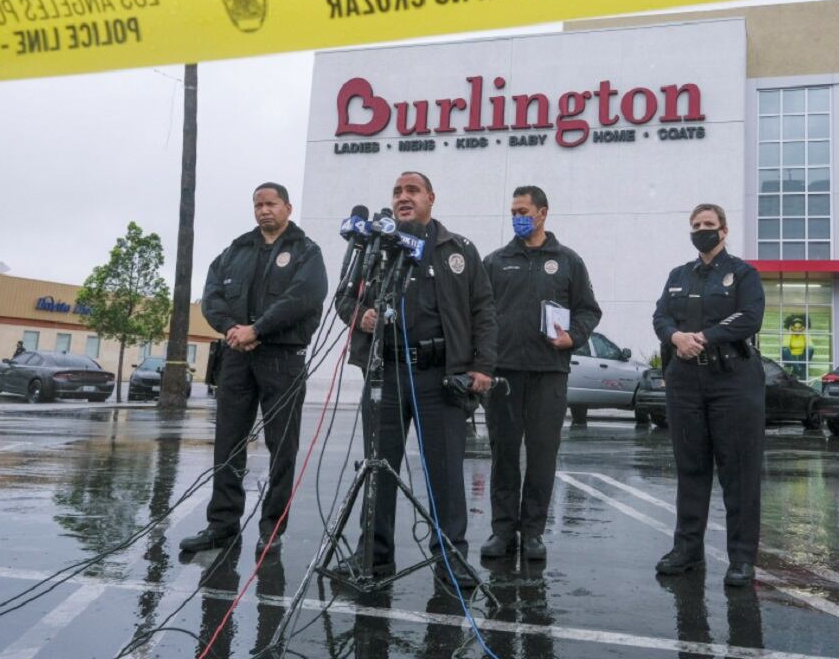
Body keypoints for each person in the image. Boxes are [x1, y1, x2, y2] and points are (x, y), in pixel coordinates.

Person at [338, 171, 497, 588]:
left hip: (440, 376)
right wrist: (361, 315)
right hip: (384, 373)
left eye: (412, 191)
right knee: (378, 468)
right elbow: (343, 296)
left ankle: (451, 560)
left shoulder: (457, 250)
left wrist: (482, 366)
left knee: (444, 473)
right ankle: (373, 556)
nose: (403, 197)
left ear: (431, 198)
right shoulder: (377, 247)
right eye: (396, 191)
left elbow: (484, 310)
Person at [180, 182, 328, 556]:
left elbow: (304, 297)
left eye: (271, 204)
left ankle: (272, 529)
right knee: (229, 442)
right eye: (258, 205)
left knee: (282, 447)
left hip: (282, 357)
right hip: (236, 357)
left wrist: (258, 329)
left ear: (287, 208)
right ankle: (222, 525)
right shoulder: (235, 251)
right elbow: (211, 295)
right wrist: (232, 329)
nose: (264, 210)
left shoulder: (306, 252)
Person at [481, 185, 601, 562]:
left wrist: (574, 338)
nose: (517, 215)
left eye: (523, 210)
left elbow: (588, 311)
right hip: (503, 374)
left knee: (542, 455)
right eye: (513, 210)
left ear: (543, 213)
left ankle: (532, 532)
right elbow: (479, 315)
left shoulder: (567, 262)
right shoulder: (496, 261)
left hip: (549, 373)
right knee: (503, 455)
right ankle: (502, 531)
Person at [652, 203, 766, 587]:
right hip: (686, 383)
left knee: (739, 473)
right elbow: (661, 316)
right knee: (691, 470)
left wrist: (703, 337)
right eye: (696, 225)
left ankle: (742, 558)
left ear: (724, 230)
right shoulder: (679, 275)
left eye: (709, 224)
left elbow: (750, 316)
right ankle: (687, 550)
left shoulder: (742, 274)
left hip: (732, 381)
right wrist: (674, 336)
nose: (702, 230)